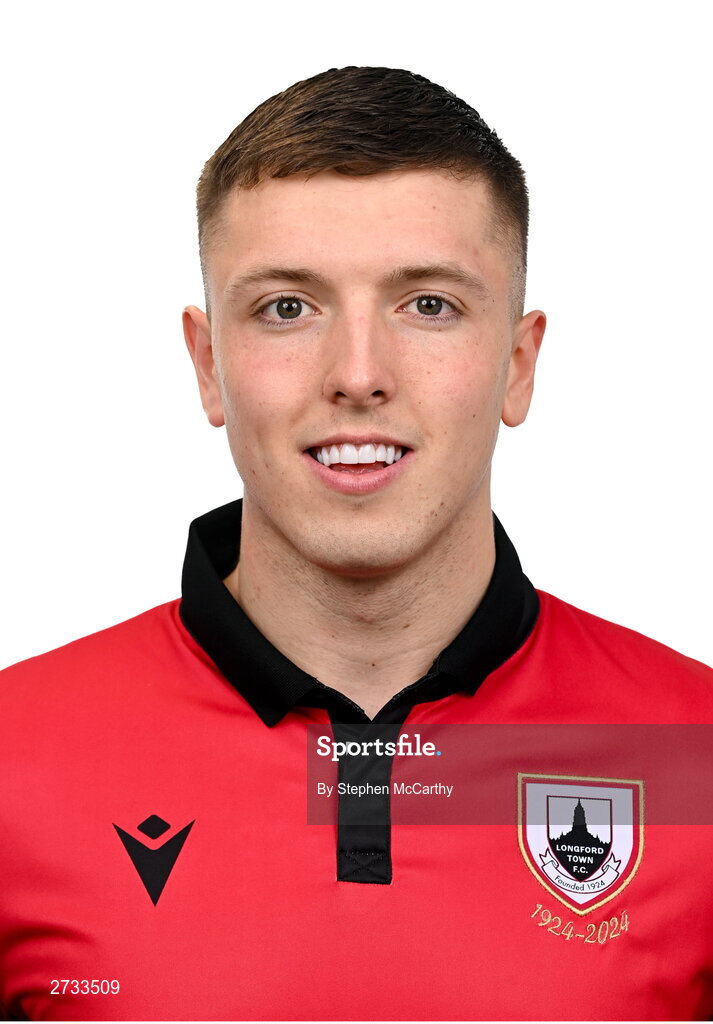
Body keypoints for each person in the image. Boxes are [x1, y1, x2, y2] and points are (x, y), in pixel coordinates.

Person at [1, 65, 712, 1023]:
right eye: (288, 307)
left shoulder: (692, 750)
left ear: (517, 363)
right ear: (209, 367)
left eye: (428, 304)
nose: (359, 376)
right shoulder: (18, 755)